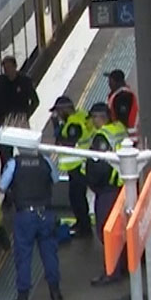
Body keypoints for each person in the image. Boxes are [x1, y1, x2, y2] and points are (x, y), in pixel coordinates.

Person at [0, 147, 63, 300]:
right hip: (45, 213)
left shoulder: (14, 163)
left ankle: (23, 297)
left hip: (25, 216)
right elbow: (55, 179)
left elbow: (2, 186)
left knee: (23, 256)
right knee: (49, 253)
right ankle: (55, 293)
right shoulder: (45, 161)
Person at [84, 115, 128, 286]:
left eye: (93, 118)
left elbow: (98, 167)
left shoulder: (102, 136)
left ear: (99, 118)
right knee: (120, 229)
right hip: (121, 186)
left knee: (106, 231)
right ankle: (122, 266)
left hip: (107, 191)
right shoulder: (119, 128)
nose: (92, 122)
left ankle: (112, 272)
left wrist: (93, 183)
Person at [51, 95, 94, 239]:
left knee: (77, 198)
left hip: (77, 166)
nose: (57, 115)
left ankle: (84, 227)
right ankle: (81, 223)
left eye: (58, 111)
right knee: (76, 197)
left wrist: (57, 127)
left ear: (65, 109)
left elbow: (67, 142)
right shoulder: (81, 116)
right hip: (79, 165)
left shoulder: (73, 124)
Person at [0, 55, 39, 168]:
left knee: (26, 152)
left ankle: (25, 171)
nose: (7, 71)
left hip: (20, 120)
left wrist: (26, 115)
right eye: (5, 69)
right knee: (4, 154)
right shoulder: (0, 81)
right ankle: (7, 174)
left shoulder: (25, 81)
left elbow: (35, 101)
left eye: (9, 68)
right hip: (3, 121)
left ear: (15, 67)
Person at [105, 68, 139, 135]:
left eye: (110, 81)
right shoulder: (118, 94)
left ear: (117, 82)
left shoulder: (123, 96)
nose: (108, 83)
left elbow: (122, 120)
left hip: (125, 135)